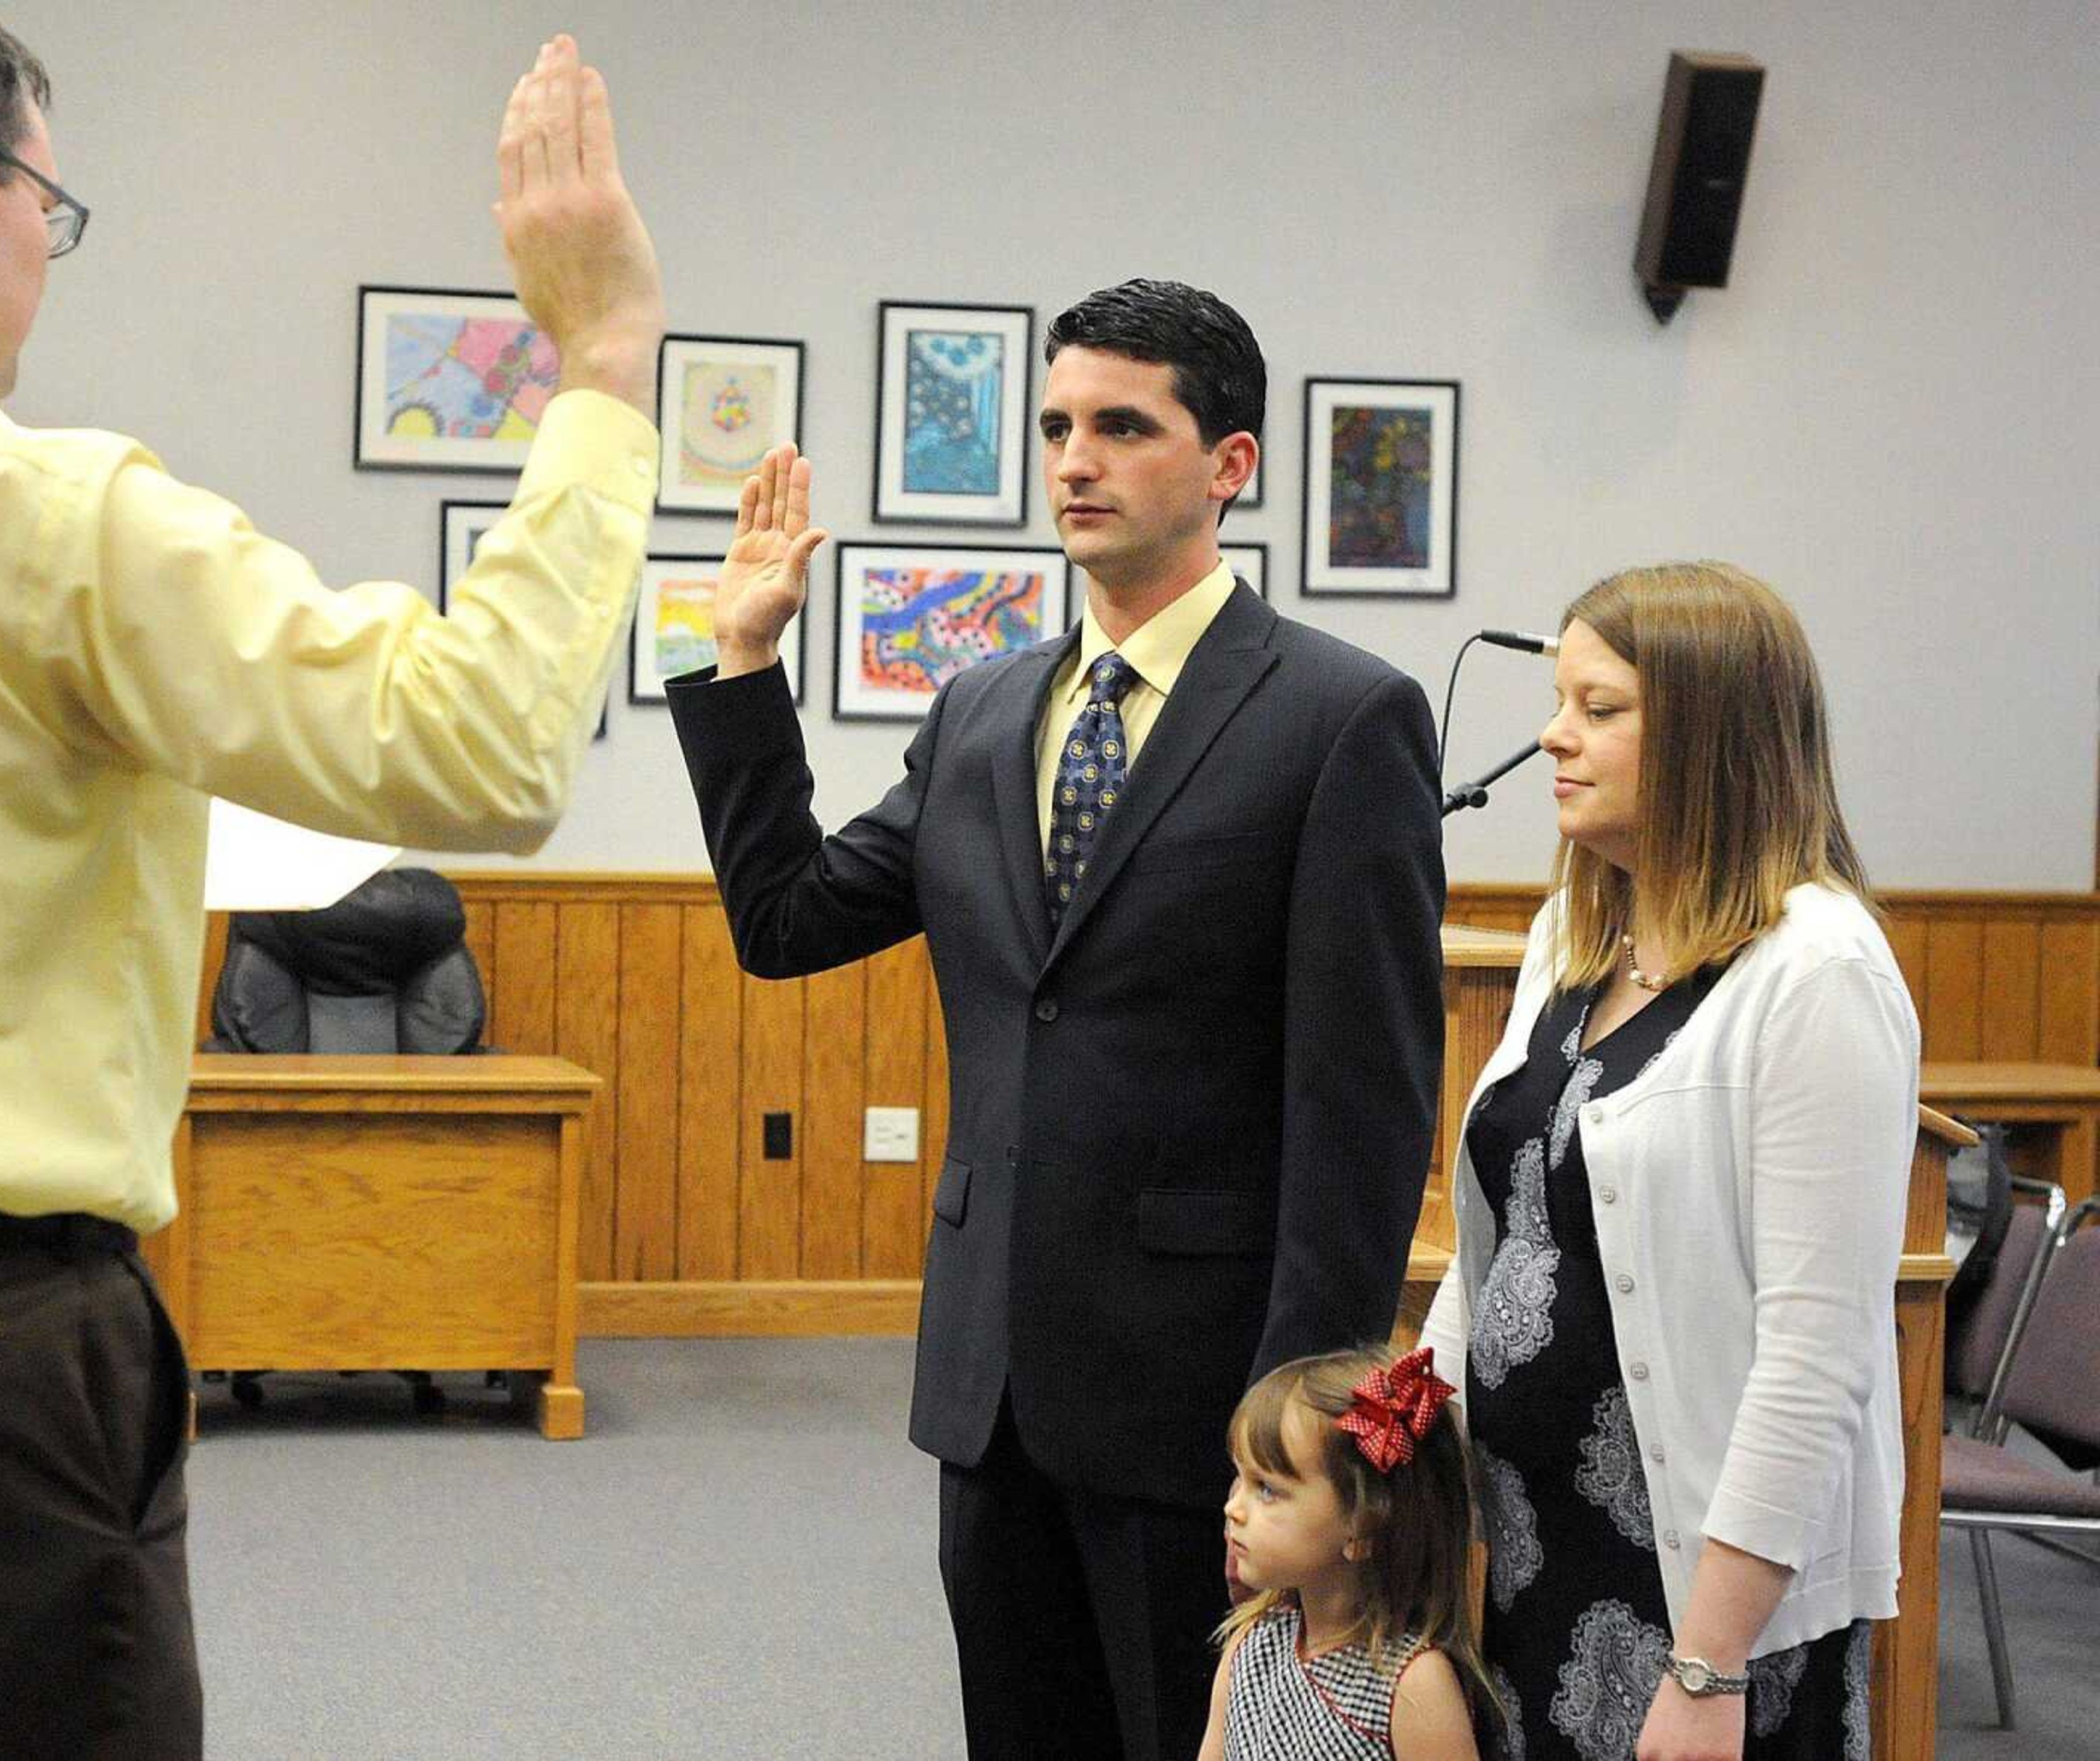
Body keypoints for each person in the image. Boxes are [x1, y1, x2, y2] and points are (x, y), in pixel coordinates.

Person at [0, 4, 662, 1754]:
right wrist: (601, 359)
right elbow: (484, 752)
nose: (41, 258)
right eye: (49, 212)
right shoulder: (41, 515)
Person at [671, 279, 1446, 1761]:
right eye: (1053, 426)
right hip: (993, 1383)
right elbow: (785, 920)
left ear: (1228, 464)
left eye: (1120, 426)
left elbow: (1359, 1109)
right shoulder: (982, 707)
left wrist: (1301, 1434)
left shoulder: (1340, 717)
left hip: (1202, 1402)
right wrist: (745, 661)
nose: (1073, 460)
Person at [1420, 562, 1919, 1760]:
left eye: (1599, 707)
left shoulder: (1817, 969)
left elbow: (1817, 1352)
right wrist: (1404, 1422)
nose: (1553, 734)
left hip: (1704, 1577)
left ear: (1707, 736)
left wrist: (1709, 1662)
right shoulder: (1577, 931)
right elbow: (1511, 1223)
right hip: (1541, 1544)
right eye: (1560, 699)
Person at [1204, 1345, 1487, 1761]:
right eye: (1240, 1478)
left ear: (1363, 1524)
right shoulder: (1251, 1645)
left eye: (1267, 1489)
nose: (1233, 1508)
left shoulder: (1412, 1686)